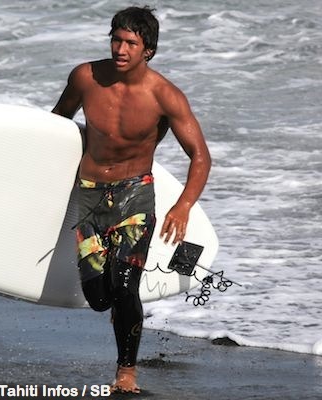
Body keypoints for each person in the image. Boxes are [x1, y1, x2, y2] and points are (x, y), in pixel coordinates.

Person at [52, 6, 211, 394]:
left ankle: (126, 372)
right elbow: (56, 123)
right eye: (116, 40)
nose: (120, 49)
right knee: (98, 297)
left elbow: (200, 156)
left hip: (134, 194)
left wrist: (183, 206)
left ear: (148, 50)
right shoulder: (86, 77)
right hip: (89, 194)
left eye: (130, 43)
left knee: (125, 285)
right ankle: (121, 310)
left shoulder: (165, 96)